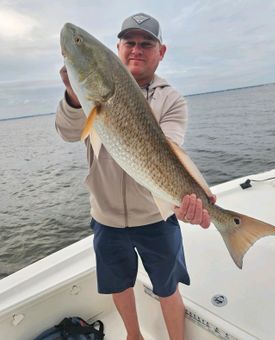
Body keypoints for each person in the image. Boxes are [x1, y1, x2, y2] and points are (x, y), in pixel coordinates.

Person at [56, 13, 215, 340]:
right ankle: (133, 335)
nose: (137, 49)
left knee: (168, 288)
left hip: (156, 217)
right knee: (120, 284)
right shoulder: (89, 96)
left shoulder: (171, 99)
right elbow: (69, 132)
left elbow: (170, 152)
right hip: (107, 217)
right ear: (118, 48)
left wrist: (195, 196)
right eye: (130, 42)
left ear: (161, 51)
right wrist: (74, 97)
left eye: (146, 43)